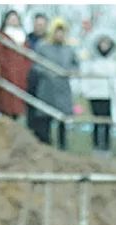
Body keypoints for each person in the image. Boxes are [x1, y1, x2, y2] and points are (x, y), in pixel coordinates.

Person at [32, 18, 78, 150]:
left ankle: (63, 148)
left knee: (63, 119)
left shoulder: (68, 49)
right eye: (57, 32)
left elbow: (75, 64)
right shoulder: (42, 46)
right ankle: (45, 147)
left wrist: (70, 72)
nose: (60, 35)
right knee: (45, 118)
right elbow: (36, 65)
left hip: (63, 89)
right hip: (47, 88)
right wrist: (48, 72)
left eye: (62, 32)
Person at [79, 31, 116, 155]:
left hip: (109, 95)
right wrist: (85, 91)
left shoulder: (115, 63)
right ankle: (96, 146)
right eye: (102, 42)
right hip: (95, 95)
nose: (104, 45)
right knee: (96, 121)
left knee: (107, 122)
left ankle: (107, 147)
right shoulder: (92, 62)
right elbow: (85, 77)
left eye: (106, 42)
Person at [0, 9, 30, 120]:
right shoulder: (1, 35)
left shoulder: (23, 36)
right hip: (7, 72)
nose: (13, 21)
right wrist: (6, 67)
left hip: (21, 73)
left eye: (15, 18)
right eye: (11, 18)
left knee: (18, 99)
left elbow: (27, 56)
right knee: (6, 99)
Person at [25, 11, 48, 134]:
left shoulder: (49, 40)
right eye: (37, 24)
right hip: (32, 78)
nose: (39, 27)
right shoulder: (27, 39)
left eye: (42, 24)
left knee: (45, 111)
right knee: (31, 109)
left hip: (46, 80)